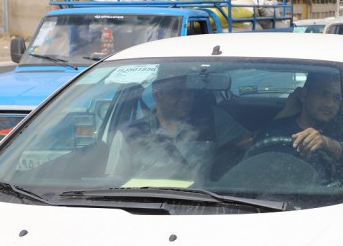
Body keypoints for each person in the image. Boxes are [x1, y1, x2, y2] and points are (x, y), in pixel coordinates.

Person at [106, 70, 252, 183]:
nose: (186, 98)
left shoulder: (211, 119)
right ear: (157, 95)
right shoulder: (129, 133)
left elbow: (251, 144)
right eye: (176, 92)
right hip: (144, 206)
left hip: (204, 204)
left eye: (190, 92)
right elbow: (114, 181)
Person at [254, 71, 343, 183]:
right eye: (323, 93)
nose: (330, 104)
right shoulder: (275, 129)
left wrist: (325, 143)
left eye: (336, 98)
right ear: (303, 95)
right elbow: (253, 164)